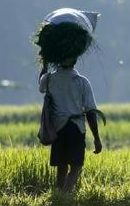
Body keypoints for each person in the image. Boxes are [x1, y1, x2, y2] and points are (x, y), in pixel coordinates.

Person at [39, 59, 102, 193]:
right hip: (76, 128)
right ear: (75, 60)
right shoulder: (82, 82)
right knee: (76, 166)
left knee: (61, 167)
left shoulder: (49, 79)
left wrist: (44, 64)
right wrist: (96, 138)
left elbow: (41, 84)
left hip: (58, 128)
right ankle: (65, 196)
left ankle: (59, 198)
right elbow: (91, 111)